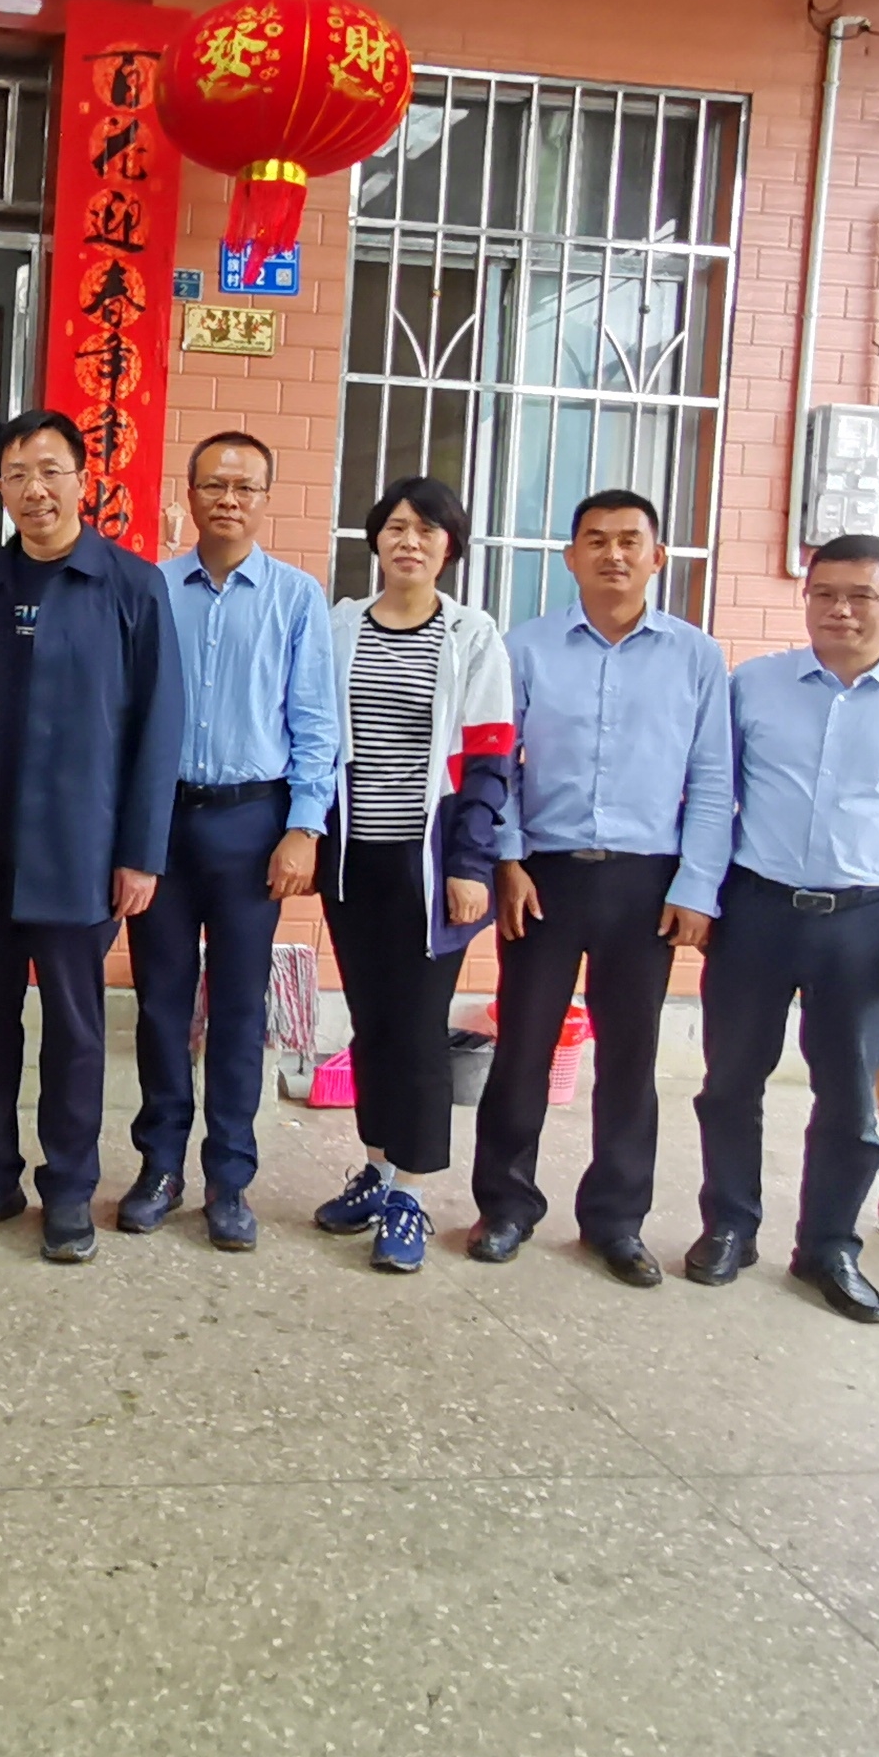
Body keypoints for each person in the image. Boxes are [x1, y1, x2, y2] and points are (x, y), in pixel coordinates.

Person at [691, 532, 879, 1325]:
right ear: (806, 597)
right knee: (730, 1081)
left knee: (851, 1095)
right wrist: (699, 893)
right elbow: (713, 796)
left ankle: (828, 1246)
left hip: (865, 922)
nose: (840, 610)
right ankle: (729, 1226)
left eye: (861, 596)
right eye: (825, 594)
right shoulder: (754, 686)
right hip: (755, 908)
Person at [0, 411, 185, 1264]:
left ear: (84, 480)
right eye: (16, 474)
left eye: (50, 471)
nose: (34, 490)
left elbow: (158, 727)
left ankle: (69, 1188)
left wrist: (140, 853)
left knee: (76, 1030)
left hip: (83, 848)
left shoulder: (131, 586)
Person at [473, 489, 733, 1287]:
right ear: (570, 556)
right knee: (522, 1047)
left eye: (629, 540)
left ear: (658, 556)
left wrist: (697, 885)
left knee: (630, 1058)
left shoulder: (696, 657)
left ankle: (616, 1221)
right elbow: (497, 764)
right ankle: (506, 1206)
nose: (613, 554)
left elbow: (713, 779)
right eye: (595, 540)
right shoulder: (526, 647)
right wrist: (506, 860)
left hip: (647, 883)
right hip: (543, 876)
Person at [125, 431, 338, 1251]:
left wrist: (303, 827)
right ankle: (160, 1167)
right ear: (190, 492)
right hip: (164, 820)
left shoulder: (296, 598)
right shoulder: (153, 588)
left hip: (254, 824)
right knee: (160, 1003)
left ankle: (229, 1178)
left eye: (245, 486)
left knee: (240, 1009)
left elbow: (316, 723)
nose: (228, 498)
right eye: (214, 483)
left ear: (264, 499)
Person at [308, 477, 514, 1275]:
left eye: (427, 530)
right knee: (371, 1021)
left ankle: (411, 1196)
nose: (409, 541)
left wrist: (470, 864)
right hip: (354, 861)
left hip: (431, 866)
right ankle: (377, 1169)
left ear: (448, 546)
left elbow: (489, 759)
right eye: (396, 526)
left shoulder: (472, 635)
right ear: (375, 539)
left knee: (419, 1029)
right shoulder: (340, 626)